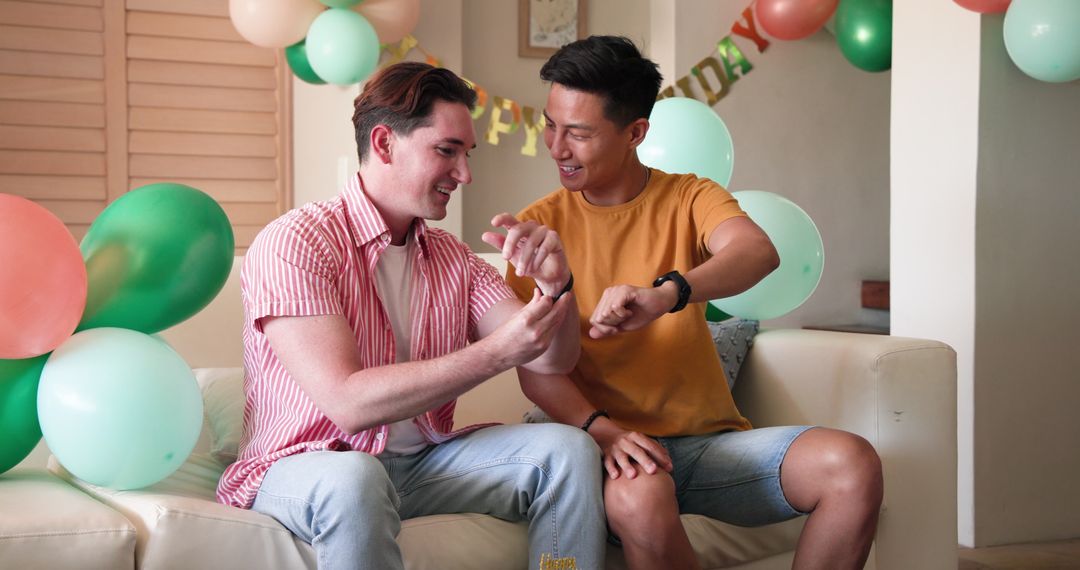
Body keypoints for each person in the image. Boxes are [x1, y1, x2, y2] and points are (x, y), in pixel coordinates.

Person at [500, 36, 884, 570]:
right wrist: (604, 432)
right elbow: (535, 370)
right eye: (551, 125)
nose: (557, 147)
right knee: (641, 498)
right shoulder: (538, 233)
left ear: (636, 133)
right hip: (610, 448)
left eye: (579, 133)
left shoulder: (690, 195)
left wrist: (667, 294)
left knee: (853, 464)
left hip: (709, 448)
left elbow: (757, 251)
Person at [216, 61, 605, 570]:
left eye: (467, 155)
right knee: (355, 476)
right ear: (383, 144)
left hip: (423, 463)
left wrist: (557, 288)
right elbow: (347, 403)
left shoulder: (453, 257)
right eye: (447, 151)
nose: (465, 174)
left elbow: (551, 362)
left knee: (568, 450)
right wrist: (496, 352)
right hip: (306, 465)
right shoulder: (295, 243)